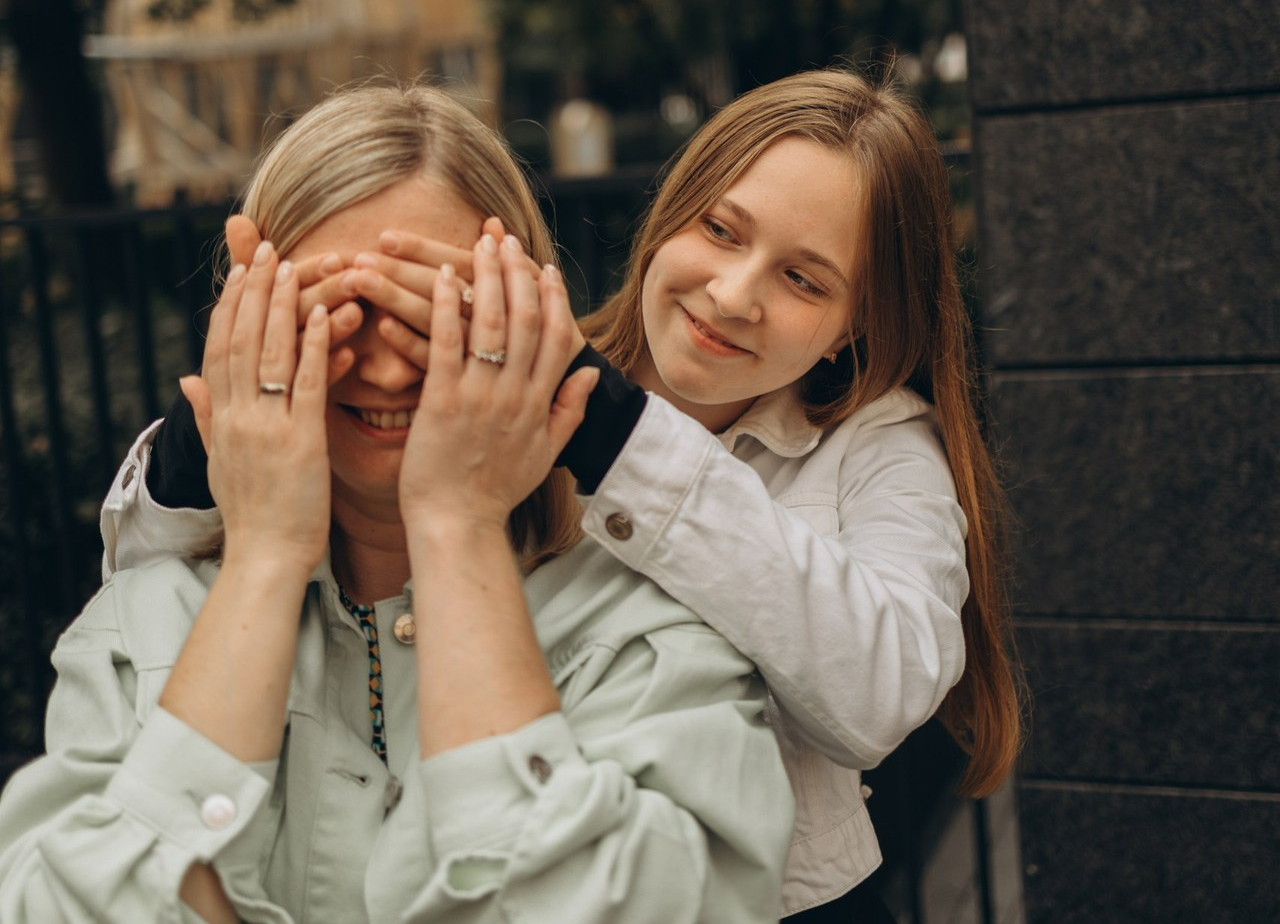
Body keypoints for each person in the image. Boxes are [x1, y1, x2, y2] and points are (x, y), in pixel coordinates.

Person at [97, 69, 1023, 920]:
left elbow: (880, 695)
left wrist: (611, 430)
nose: (733, 293)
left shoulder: (882, 449)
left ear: (854, 324)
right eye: (720, 230)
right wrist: (210, 435)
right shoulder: (507, 381)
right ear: (669, 217)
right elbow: (165, 598)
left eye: (802, 279)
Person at [0, 83, 795, 923]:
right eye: (339, 315)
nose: (384, 369)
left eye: (434, 314)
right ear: (250, 329)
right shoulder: (143, 624)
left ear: (528, 326)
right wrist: (265, 554)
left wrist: (459, 529)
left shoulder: (653, 630)